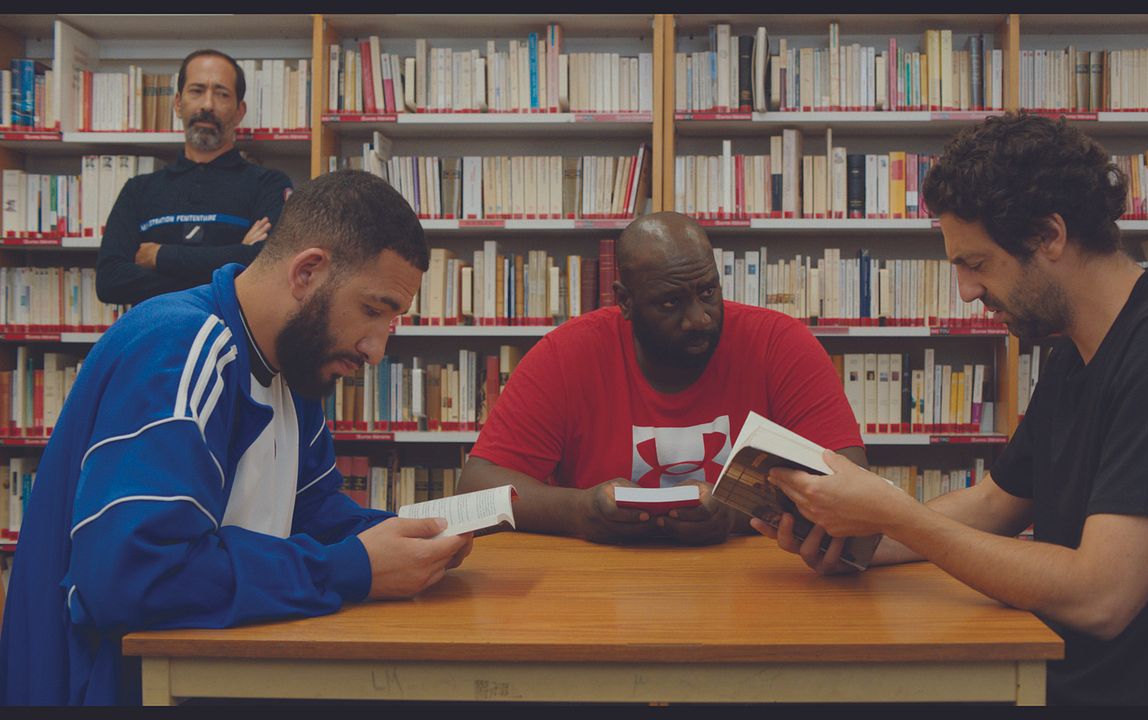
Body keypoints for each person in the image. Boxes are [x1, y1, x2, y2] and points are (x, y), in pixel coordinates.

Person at [755, 112, 1148, 705]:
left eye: (976, 264)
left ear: (1050, 235)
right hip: (1068, 671)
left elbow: (1101, 597)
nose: (966, 292)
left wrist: (897, 515)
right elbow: (994, 503)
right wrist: (855, 538)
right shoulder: (1078, 351)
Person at [0, 170, 473, 706]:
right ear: (308, 272)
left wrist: (415, 536)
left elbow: (312, 513)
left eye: (392, 320)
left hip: (207, 672)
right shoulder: (182, 348)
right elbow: (130, 576)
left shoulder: (293, 367)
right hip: (115, 688)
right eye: (372, 309)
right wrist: (353, 569)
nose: (376, 350)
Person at [457, 211, 867, 545]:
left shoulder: (780, 343)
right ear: (625, 302)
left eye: (708, 292)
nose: (698, 318)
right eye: (671, 302)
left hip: (751, 590)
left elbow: (851, 482)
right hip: (594, 594)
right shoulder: (566, 355)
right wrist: (579, 512)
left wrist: (736, 511)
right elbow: (476, 489)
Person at [95, 48, 293, 307]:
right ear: (178, 103)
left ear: (239, 111)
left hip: (233, 343)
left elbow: (269, 267)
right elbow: (110, 282)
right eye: (197, 91)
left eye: (221, 94)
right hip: (156, 342)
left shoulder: (268, 184)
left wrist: (159, 256)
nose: (208, 105)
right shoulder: (139, 190)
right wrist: (234, 262)